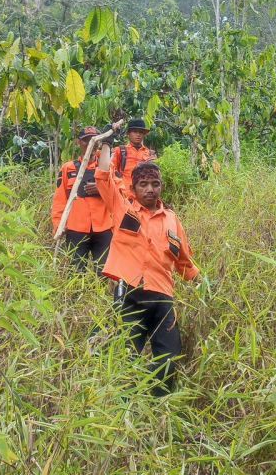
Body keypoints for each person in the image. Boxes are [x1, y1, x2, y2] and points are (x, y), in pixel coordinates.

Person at [94, 131, 198, 396]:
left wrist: (204, 284)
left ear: (161, 186)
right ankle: (123, 408)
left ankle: (157, 406)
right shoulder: (123, 209)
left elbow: (185, 262)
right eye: (144, 185)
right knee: (125, 356)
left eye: (155, 184)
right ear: (134, 188)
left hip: (163, 296)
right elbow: (104, 177)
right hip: (129, 293)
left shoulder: (172, 220)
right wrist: (106, 143)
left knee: (170, 357)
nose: (150, 189)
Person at [51, 126, 116, 269]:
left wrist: (101, 189)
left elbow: (119, 193)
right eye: (86, 140)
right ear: (78, 142)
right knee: (75, 270)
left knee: (104, 271)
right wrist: (58, 225)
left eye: (94, 140)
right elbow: (60, 200)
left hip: (104, 227)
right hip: (76, 227)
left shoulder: (107, 166)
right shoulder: (68, 168)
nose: (90, 144)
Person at [114, 118, 157, 183]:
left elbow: (154, 175)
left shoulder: (150, 153)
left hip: (142, 191)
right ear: (128, 133)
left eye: (141, 132)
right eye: (135, 132)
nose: (138, 135)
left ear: (144, 134)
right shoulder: (120, 151)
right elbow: (112, 171)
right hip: (123, 191)